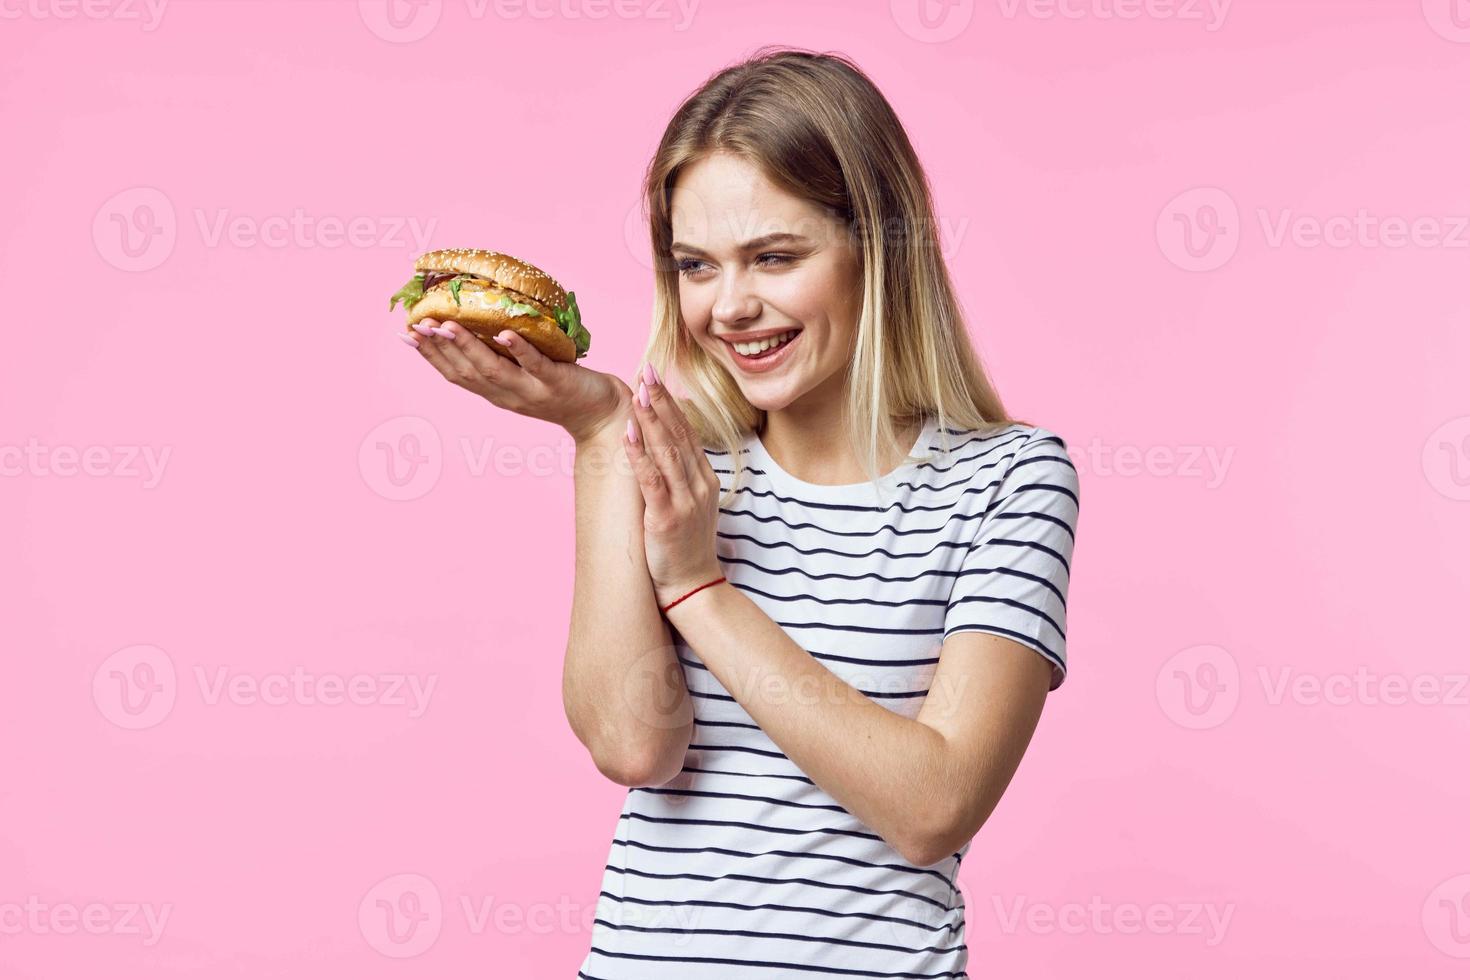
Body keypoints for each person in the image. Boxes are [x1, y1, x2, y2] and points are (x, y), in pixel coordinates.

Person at [400, 45, 1080, 980]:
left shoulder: (1008, 480)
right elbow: (633, 744)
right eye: (696, 265)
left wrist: (697, 584)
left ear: (877, 249)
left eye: (775, 256)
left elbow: (933, 806)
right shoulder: (677, 463)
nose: (730, 307)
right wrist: (601, 436)